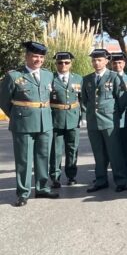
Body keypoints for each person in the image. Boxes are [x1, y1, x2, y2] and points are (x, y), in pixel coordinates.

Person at [0, 41, 58, 206]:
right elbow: (4, 101)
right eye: (34, 56)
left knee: (43, 157)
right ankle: (23, 193)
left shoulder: (48, 75)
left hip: (45, 123)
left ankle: (42, 188)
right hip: (23, 124)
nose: (38, 59)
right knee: (24, 159)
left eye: (41, 57)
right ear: (27, 57)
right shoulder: (14, 76)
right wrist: (17, 116)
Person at [81, 49, 127, 193]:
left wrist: (115, 115)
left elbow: (121, 99)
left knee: (114, 152)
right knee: (98, 153)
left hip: (109, 120)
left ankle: (120, 180)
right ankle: (101, 180)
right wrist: (85, 117)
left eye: (99, 60)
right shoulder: (87, 79)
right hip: (93, 121)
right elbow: (84, 100)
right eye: (94, 60)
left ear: (107, 61)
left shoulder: (114, 77)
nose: (96, 63)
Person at [48, 51, 83, 187]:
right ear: (56, 64)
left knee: (72, 148)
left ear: (71, 64)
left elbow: (83, 100)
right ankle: (55, 177)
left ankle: (71, 175)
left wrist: (83, 116)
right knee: (55, 150)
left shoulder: (78, 79)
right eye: (60, 62)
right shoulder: (50, 78)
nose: (63, 65)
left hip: (73, 118)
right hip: (55, 118)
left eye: (66, 62)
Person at [110, 52, 127, 178]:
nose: (117, 65)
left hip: (126, 117)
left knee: (126, 145)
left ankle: (126, 170)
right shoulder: (107, 77)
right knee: (113, 146)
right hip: (110, 117)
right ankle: (115, 170)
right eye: (114, 63)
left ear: (124, 63)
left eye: (119, 62)